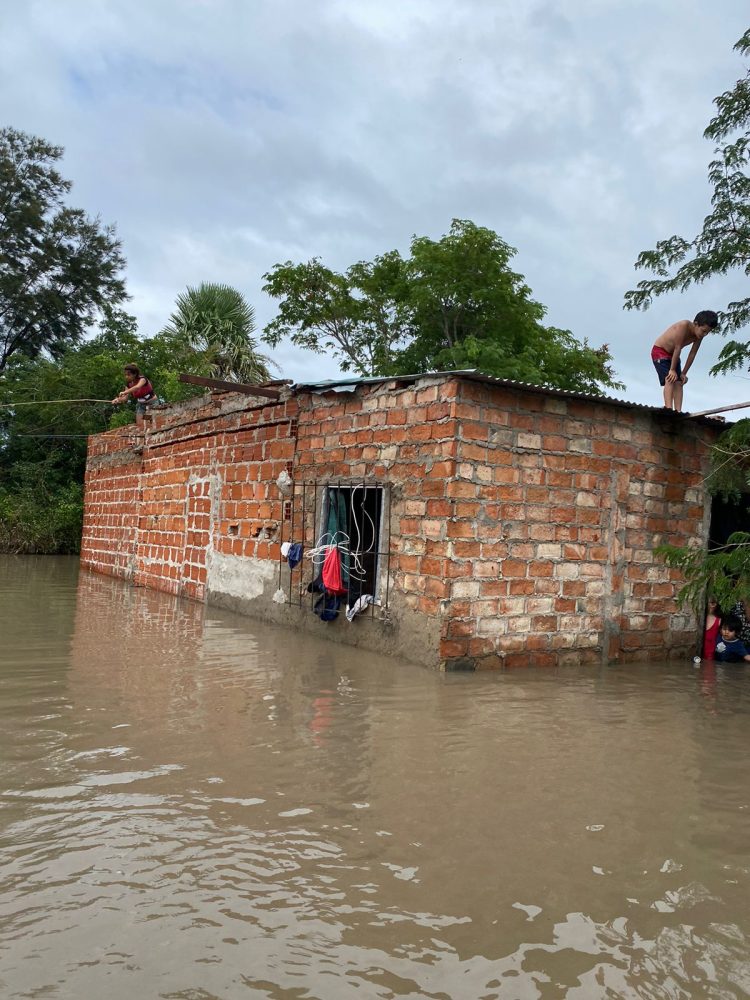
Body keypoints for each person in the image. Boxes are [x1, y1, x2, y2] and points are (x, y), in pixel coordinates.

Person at [651, 310, 719, 412]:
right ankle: (669, 408)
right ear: (696, 324)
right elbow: (677, 347)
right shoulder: (684, 325)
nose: (705, 334)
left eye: (707, 332)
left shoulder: (699, 336)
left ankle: (678, 411)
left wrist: (684, 373)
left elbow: (693, 353)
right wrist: (672, 369)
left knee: (679, 382)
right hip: (660, 351)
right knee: (670, 378)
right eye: (704, 331)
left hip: (674, 355)